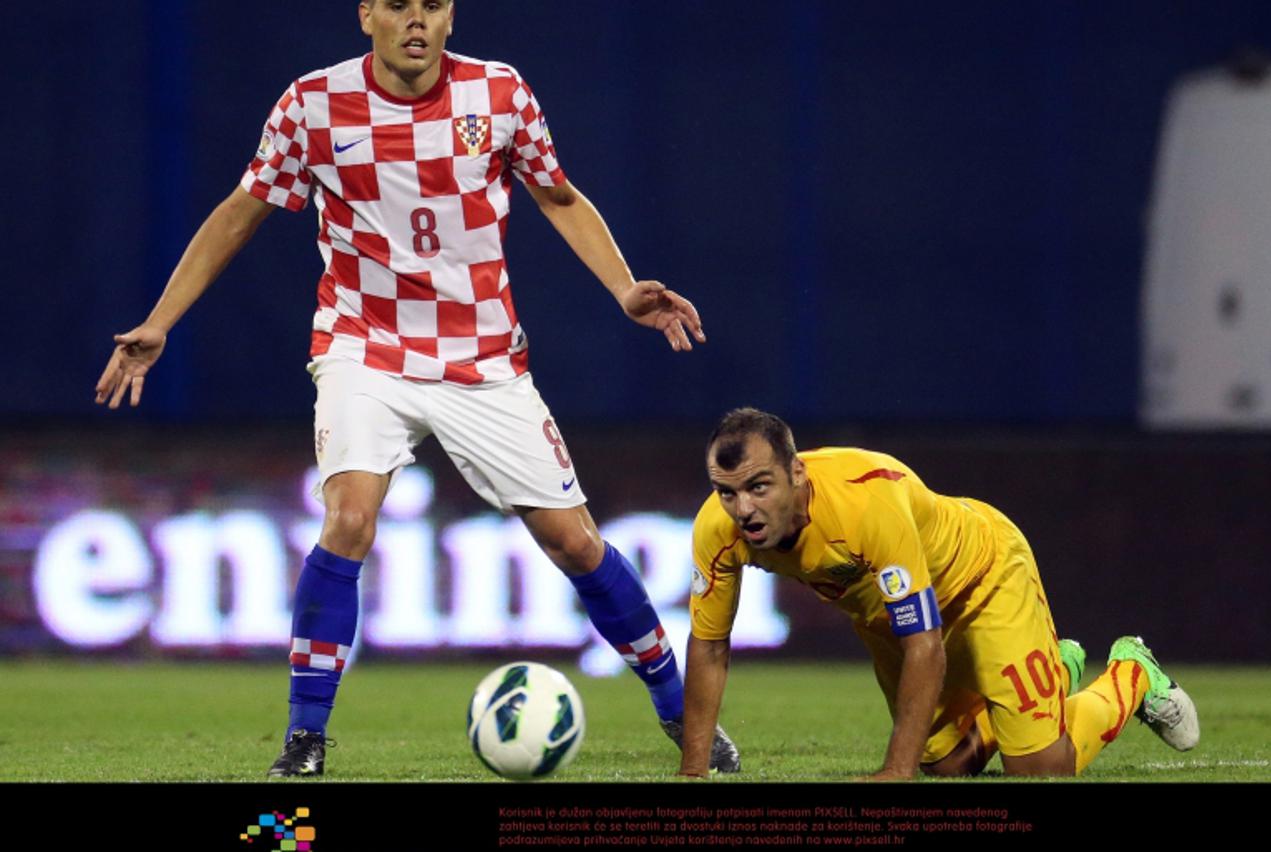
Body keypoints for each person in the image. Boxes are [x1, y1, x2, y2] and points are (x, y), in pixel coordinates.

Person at [94, 0, 739, 778]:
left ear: (451, 16)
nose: (416, 20)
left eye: (432, 4)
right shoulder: (312, 105)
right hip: (363, 347)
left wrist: (625, 288)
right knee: (350, 519)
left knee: (574, 542)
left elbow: (559, 197)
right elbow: (241, 213)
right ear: (366, 13)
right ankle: (305, 741)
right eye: (398, 4)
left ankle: (682, 715)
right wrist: (162, 321)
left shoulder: (500, 95)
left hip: (482, 356)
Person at [678, 407, 1199, 779]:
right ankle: (1052, 674)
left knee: (1042, 770)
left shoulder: (866, 501)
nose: (742, 508)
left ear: (796, 473)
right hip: (890, 617)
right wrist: (693, 774)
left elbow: (924, 642)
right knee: (949, 766)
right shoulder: (717, 530)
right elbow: (709, 644)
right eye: (727, 491)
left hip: (984, 580)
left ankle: (1132, 674)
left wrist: (895, 773)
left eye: (759, 487)